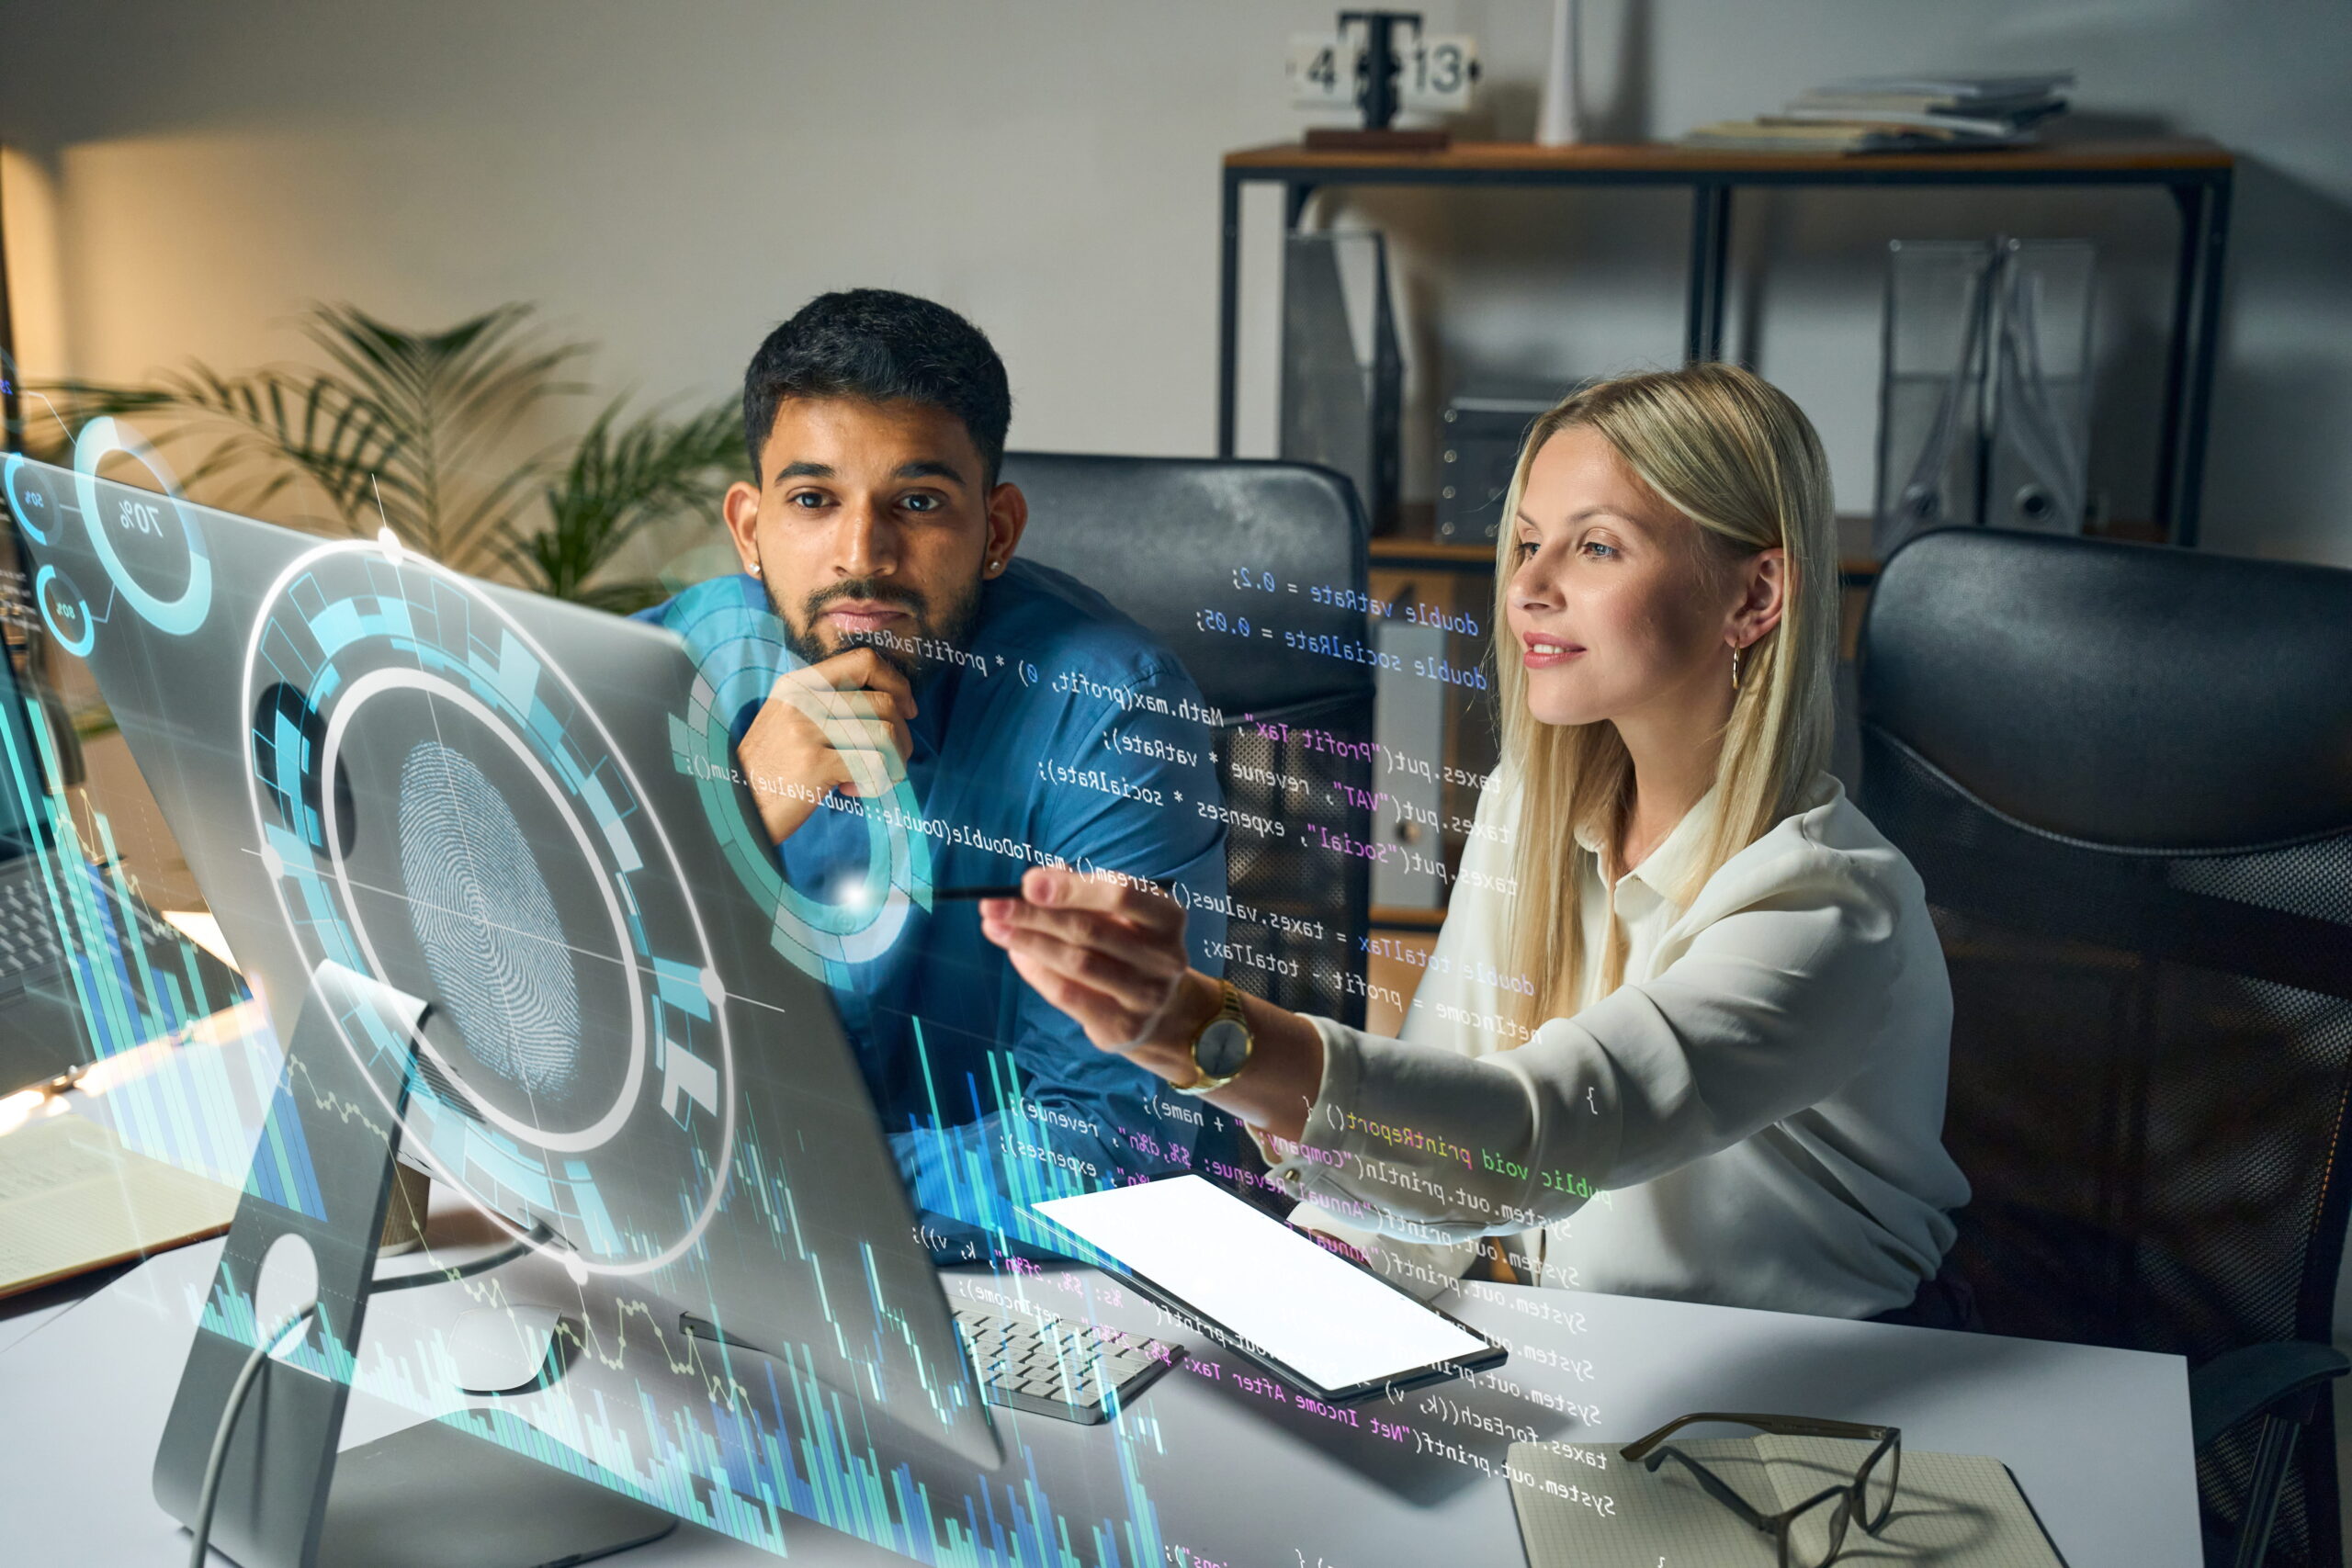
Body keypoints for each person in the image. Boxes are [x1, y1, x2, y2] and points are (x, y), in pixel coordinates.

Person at [980, 362, 1977, 1325]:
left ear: (1754, 599)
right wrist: (1323, 1277)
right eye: (1526, 543)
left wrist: (1205, 1033)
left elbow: (1531, 1137)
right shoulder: (1525, 807)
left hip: (1821, 1417)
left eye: (1596, 548)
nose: (1528, 587)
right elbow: (1432, 1124)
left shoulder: (1831, 910)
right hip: (1605, 1366)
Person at [638, 288, 1236, 1261]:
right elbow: (545, 997)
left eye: (916, 503)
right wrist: (730, 815)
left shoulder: (1114, 714)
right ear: (749, 529)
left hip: (1015, 1291)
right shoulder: (664, 665)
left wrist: (759, 1174)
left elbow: (1110, 1147)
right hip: (713, 1263)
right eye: (812, 500)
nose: (862, 556)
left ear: (996, 530)